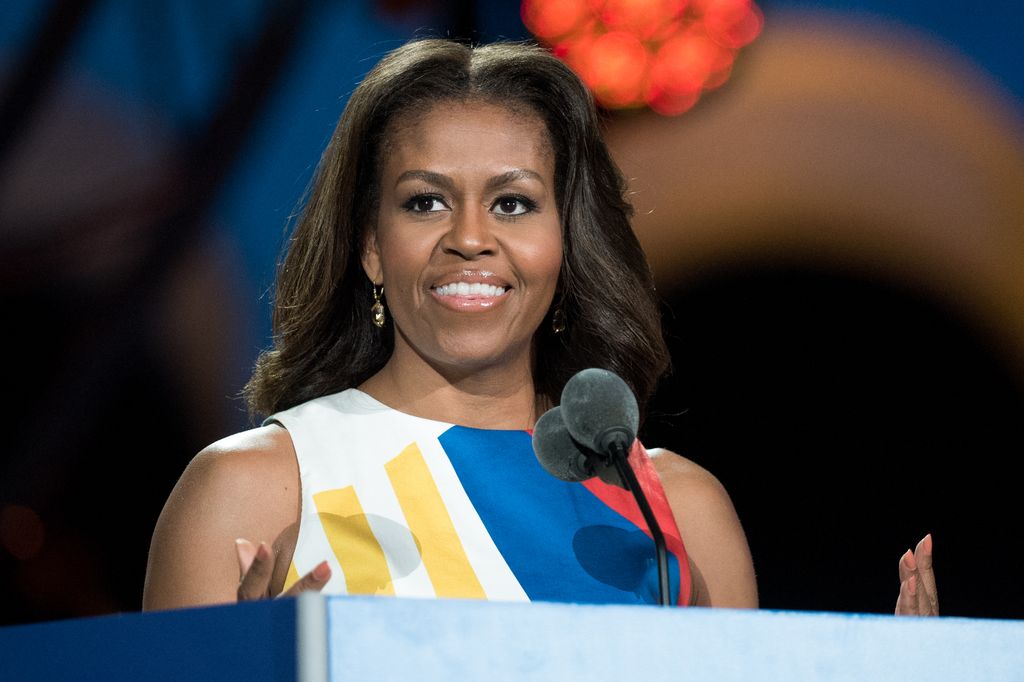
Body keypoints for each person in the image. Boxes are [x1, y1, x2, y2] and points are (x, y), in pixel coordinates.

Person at [142, 39, 935, 615]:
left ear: (565, 243)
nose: (470, 236)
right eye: (425, 201)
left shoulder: (678, 511)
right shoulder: (255, 490)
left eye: (513, 202)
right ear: (371, 249)